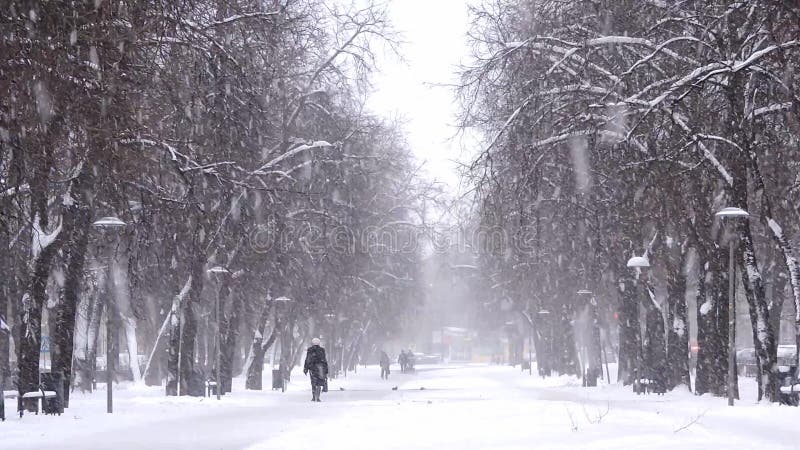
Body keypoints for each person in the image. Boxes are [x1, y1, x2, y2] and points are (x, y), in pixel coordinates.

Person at [303, 337, 329, 402]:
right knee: (319, 382)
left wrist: (306, 368)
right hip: (320, 368)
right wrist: (326, 369)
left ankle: (314, 396)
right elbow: (324, 360)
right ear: (319, 343)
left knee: (313, 382)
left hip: (312, 369)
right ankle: (318, 396)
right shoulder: (322, 350)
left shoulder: (310, 350)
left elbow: (307, 359)